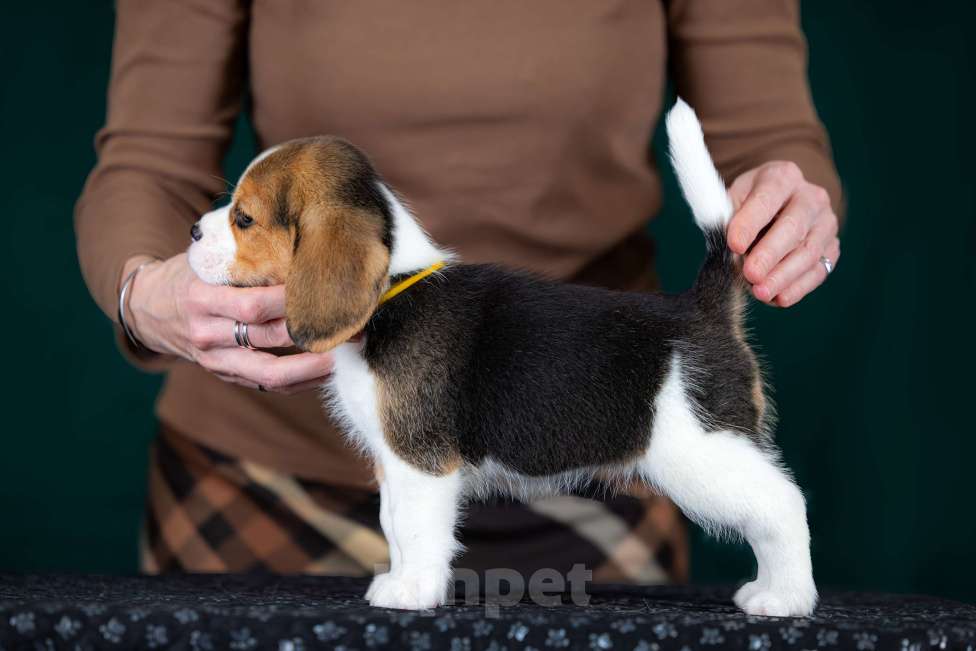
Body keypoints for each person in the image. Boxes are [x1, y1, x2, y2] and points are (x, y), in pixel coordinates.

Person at [76, 1, 841, 583]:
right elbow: (149, 155)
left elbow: (770, 130)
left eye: (243, 220)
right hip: (258, 483)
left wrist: (784, 204)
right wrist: (142, 287)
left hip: (596, 429)